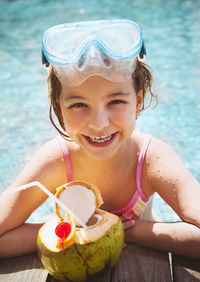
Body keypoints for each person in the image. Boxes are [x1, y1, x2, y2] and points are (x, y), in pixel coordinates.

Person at [0, 19, 200, 259]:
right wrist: (67, 233)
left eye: (115, 101)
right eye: (79, 104)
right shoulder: (57, 160)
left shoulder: (150, 159)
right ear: (59, 109)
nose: (99, 123)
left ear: (137, 102)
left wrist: (132, 232)